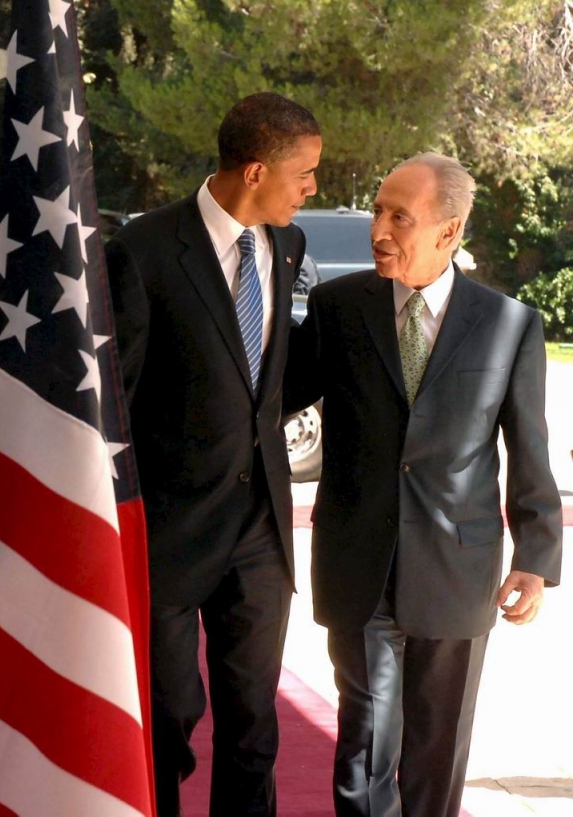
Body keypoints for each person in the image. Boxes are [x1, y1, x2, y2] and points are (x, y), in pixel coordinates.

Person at [286, 153, 563, 817]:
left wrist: (536, 556)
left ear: (449, 231)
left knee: (438, 749)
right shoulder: (337, 308)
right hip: (358, 560)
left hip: (458, 567)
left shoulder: (509, 324)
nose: (378, 229)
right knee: (364, 742)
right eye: (378, 211)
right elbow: (270, 403)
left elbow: (529, 446)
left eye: (399, 217)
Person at [105, 92, 322, 817]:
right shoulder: (142, 250)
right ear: (256, 171)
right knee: (167, 718)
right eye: (304, 173)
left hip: (261, 525)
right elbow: (116, 401)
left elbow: (264, 383)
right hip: (169, 528)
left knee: (254, 725)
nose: (312, 188)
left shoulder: (288, 245)